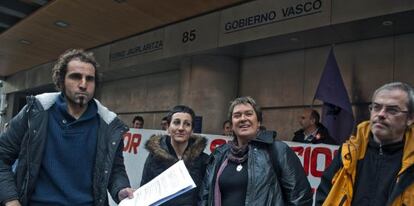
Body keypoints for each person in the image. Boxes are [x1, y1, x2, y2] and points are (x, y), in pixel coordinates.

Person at [0, 49, 133, 206]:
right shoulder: (35, 112)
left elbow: (115, 170)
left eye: (89, 79)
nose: (83, 84)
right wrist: (10, 200)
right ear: (61, 81)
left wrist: (121, 189)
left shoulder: (109, 125)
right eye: (76, 77)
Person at [199, 96, 312, 206]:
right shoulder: (219, 155)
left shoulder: (278, 151)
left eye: (248, 114)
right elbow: (204, 197)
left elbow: (300, 198)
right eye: (237, 115)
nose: (243, 119)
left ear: (258, 122)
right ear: (232, 125)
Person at [316, 82, 414, 206]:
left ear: (410, 118)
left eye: (392, 110)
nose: (381, 114)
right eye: (376, 107)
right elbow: (323, 196)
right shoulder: (348, 153)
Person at [140, 105, 209, 205]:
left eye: (187, 124)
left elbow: (205, 197)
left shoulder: (203, 160)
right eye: (176, 122)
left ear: (192, 130)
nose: (181, 128)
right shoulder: (154, 157)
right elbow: (144, 193)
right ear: (168, 127)